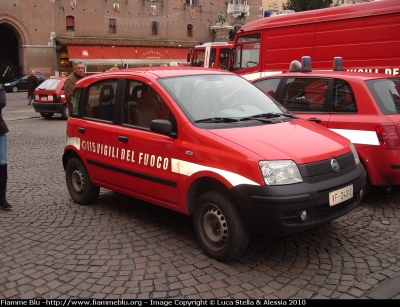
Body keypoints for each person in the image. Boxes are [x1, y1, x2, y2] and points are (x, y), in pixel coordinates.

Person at [0, 85, 12, 210]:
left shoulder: (0, 90)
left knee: (2, 163)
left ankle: (2, 197)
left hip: (0, 132)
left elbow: (1, 103)